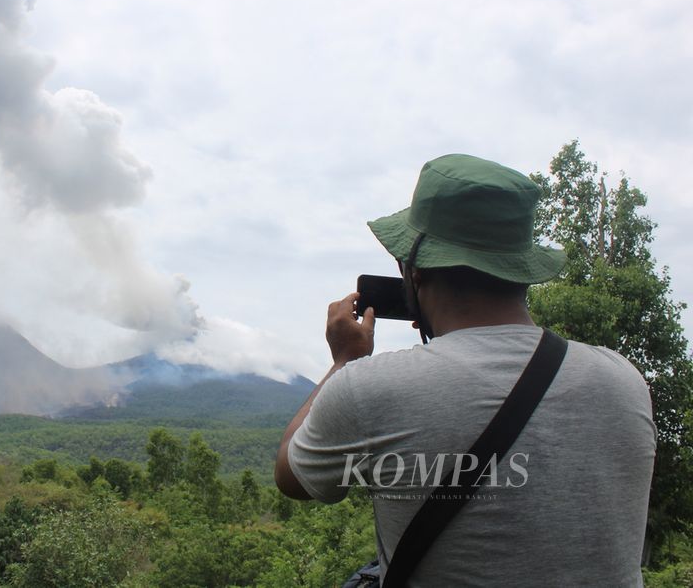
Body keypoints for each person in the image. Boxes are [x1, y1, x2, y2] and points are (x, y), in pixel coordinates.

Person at [274, 154, 656, 586]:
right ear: (520, 269)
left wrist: (345, 361)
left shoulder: (369, 388)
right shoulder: (624, 380)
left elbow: (292, 477)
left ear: (413, 270)